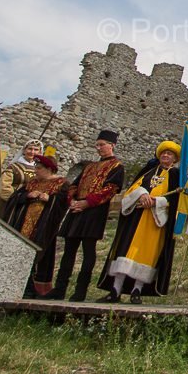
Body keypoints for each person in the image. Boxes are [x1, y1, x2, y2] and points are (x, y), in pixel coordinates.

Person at [42, 129, 125, 301]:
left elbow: (111, 189)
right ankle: (60, 289)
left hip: (94, 212)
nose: (99, 148)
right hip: (77, 210)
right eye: (97, 145)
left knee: (88, 251)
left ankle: (80, 292)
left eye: (102, 145)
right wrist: (72, 200)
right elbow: (74, 185)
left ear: (112, 145)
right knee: (68, 251)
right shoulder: (90, 166)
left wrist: (87, 202)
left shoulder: (117, 167)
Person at [97, 140, 180, 303]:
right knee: (126, 253)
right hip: (137, 219)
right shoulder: (148, 171)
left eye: (169, 154)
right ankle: (115, 289)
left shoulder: (175, 175)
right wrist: (142, 194)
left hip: (156, 221)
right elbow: (133, 189)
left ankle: (137, 290)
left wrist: (156, 201)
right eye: (163, 153)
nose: (165, 155)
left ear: (174, 158)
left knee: (147, 256)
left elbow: (177, 199)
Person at [4, 154, 69, 297]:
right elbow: (14, 198)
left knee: (38, 255)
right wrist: (27, 196)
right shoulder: (32, 183)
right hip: (24, 224)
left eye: (39, 168)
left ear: (49, 169)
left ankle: (33, 288)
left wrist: (50, 199)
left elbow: (63, 203)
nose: (36, 171)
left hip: (44, 226)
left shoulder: (61, 184)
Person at [0, 139, 40, 219]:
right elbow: (4, 186)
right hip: (6, 204)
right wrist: (16, 199)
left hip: (23, 208)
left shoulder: (39, 171)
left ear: (40, 152)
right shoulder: (13, 167)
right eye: (30, 149)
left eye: (36, 150)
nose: (32, 152)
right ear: (24, 150)